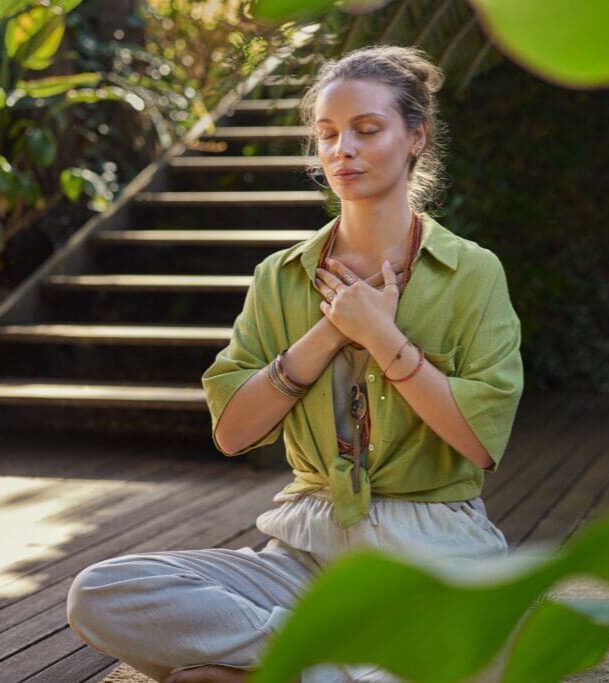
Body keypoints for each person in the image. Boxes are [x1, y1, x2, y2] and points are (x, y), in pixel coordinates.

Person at [66, 44, 524, 683]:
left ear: (415, 136)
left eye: (367, 130)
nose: (343, 150)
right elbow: (233, 432)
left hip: (434, 556)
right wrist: (331, 333)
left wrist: (384, 338)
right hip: (304, 557)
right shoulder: (278, 279)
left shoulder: (472, 273)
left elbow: (478, 441)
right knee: (100, 592)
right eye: (328, 134)